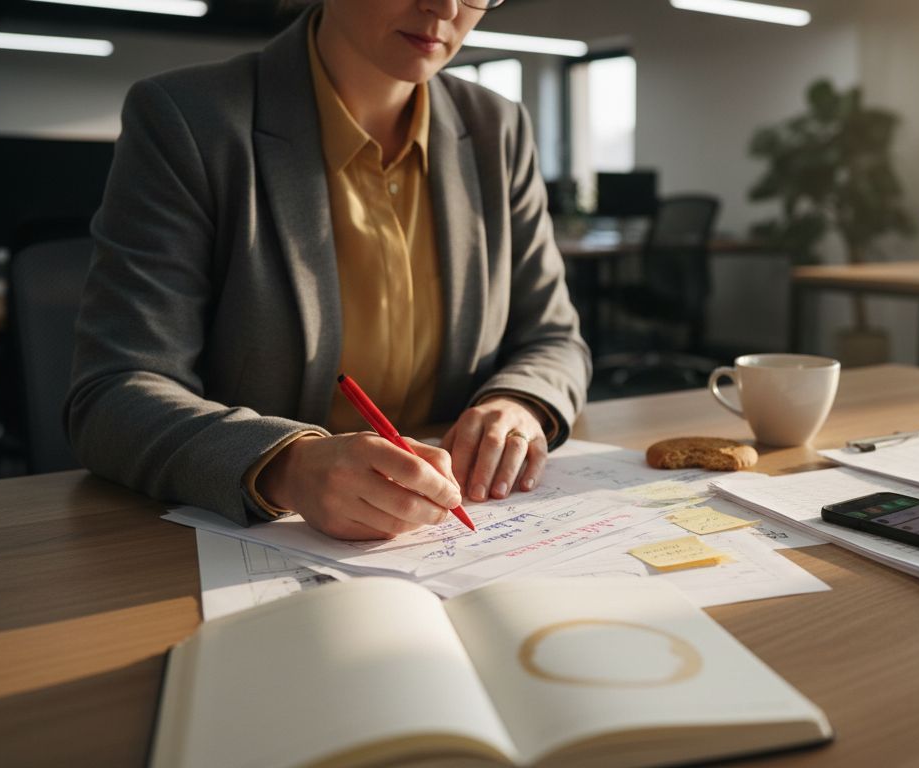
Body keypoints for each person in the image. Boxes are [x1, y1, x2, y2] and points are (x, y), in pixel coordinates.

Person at [66, 0, 591, 541]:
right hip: (262, 547)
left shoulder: (497, 130)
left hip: (454, 535)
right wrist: (287, 466)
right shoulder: (188, 119)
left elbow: (553, 337)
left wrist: (520, 402)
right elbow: (114, 393)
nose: (446, 6)